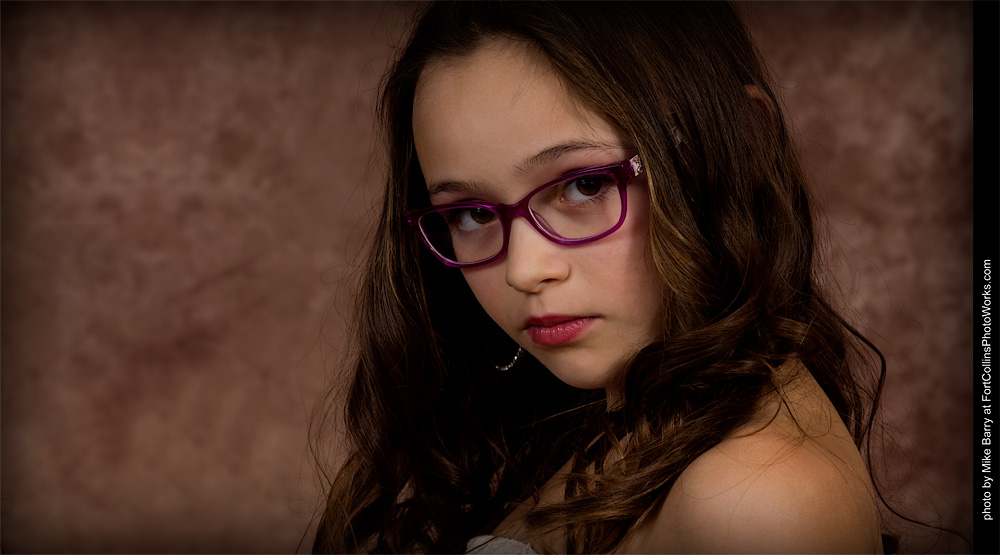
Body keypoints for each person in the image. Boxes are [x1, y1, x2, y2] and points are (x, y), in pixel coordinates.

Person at [311, 2, 891, 553]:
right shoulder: (598, 419)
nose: (524, 270)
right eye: (472, 214)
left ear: (741, 144)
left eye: (584, 184)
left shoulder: (753, 501)